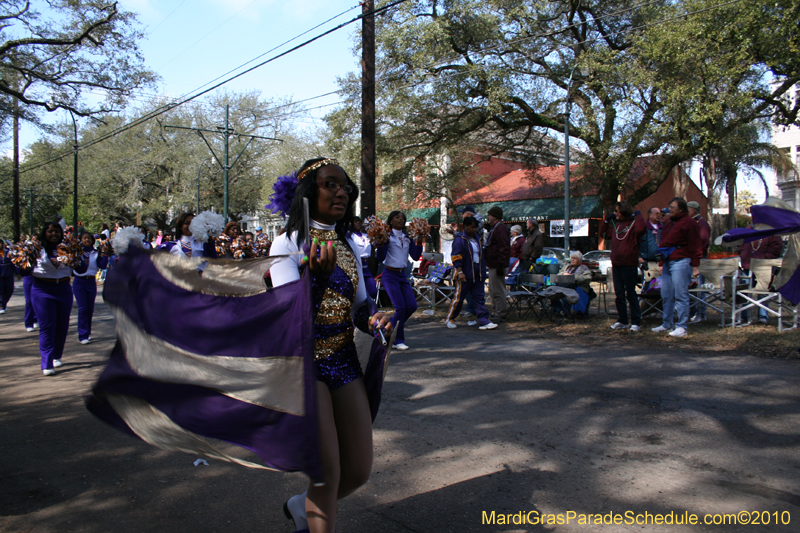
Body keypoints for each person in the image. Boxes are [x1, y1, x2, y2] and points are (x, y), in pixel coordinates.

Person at [269, 157, 391, 533]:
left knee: (357, 471)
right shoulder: (287, 243)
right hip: (303, 366)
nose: (342, 192)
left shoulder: (348, 247)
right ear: (307, 193)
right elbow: (288, 314)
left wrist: (375, 318)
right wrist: (315, 281)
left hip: (343, 361)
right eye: (330, 184)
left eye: (346, 187)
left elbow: (357, 308)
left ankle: (299, 506)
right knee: (327, 474)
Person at [22, 222, 79, 376]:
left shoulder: (69, 248)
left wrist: (77, 258)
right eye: (50, 231)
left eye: (57, 232)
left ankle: (57, 356)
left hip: (64, 289)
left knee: (62, 325)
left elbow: (81, 268)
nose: (54, 234)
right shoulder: (36, 249)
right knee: (47, 326)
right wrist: (21, 261)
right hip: (42, 290)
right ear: (44, 233)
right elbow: (23, 270)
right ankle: (46, 363)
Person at [652, 197, 703, 337]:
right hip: (668, 261)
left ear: (681, 209)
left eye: (673, 207)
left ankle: (682, 326)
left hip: (681, 260)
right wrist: (661, 263)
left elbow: (695, 245)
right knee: (666, 294)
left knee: (681, 294)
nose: (670, 209)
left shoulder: (690, 223)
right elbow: (664, 244)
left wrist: (695, 265)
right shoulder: (669, 223)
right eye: (669, 206)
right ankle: (666, 323)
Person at [376, 210, 423, 350]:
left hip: (403, 275)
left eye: (402, 218)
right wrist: (381, 243)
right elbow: (380, 258)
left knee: (412, 306)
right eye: (397, 217)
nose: (401, 220)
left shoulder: (407, 236)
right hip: (390, 275)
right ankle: (398, 340)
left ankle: (390, 326)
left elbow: (415, 257)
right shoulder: (387, 236)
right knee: (401, 307)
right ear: (391, 221)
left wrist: (419, 241)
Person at [599, 200, 646, 331]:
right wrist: (607, 220)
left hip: (629, 263)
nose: (615, 213)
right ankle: (623, 320)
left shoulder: (633, 224)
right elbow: (603, 234)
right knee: (619, 294)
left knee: (631, 293)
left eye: (617, 211)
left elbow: (642, 229)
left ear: (623, 211)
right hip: (617, 263)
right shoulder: (616, 226)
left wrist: (638, 215)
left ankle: (636, 321)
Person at [444, 217, 497, 330]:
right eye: (471, 227)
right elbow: (456, 256)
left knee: (479, 297)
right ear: (465, 226)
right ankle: (450, 318)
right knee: (459, 297)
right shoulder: (460, 239)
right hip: (464, 271)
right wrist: (460, 271)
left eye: (475, 227)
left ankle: (484, 320)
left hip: (477, 272)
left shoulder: (477, 239)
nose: (474, 229)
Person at [737, 229, 783, 324]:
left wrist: (765, 258)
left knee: (762, 290)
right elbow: (741, 244)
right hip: (747, 265)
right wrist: (743, 254)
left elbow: (777, 247)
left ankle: (762, 316)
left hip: (763, 266)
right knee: (744, 290)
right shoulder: (749, 229)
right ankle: (745, 316)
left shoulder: (772, 230)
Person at [73, 232, 108, 344]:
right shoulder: (77, 252)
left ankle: (87, 332)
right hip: (79, 281)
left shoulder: (95, 252)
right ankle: (82, 334)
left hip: (91, 281)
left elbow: (102, 266)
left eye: (89, 238)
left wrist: (106, 253)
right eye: (84, 238)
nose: (87, 240)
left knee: (89, 309)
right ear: (81, 240)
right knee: (82, 308)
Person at [484, 206, 511, 321]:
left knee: (498, 290)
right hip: (493, 263)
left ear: (494, 216)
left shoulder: (501, 229)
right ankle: (496, 311)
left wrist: (501, 263)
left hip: (497, 264)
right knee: (493, 290)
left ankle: (500, 313)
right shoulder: (495, 228)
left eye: (489, 215)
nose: (488, 217)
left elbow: (504, 247)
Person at [687, 201, 711, 323]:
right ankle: (693, 312)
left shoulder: (702, 224)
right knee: (692, 288)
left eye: (687, 209)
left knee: (699, 288)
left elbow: (703, 241)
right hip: (691, 259)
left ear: (693, 210)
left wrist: (696, 256)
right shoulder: (693, 223)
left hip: (699, 260)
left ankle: (700, 314)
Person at [349, 216, 377, 300]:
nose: (358, 223)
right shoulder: (350, 236)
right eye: (355, 221)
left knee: (373, 292)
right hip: (355, 267)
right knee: (357, 294)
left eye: (359, 221)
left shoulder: (367, 235)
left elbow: (376, 242)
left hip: (366, 268)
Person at [0, 240, 14, 314]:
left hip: (9, 275)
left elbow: (13, 262)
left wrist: (18, 273)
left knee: (9, 290)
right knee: (0, 291)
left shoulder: (8, 252)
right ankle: (1, 305)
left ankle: (4, 302)